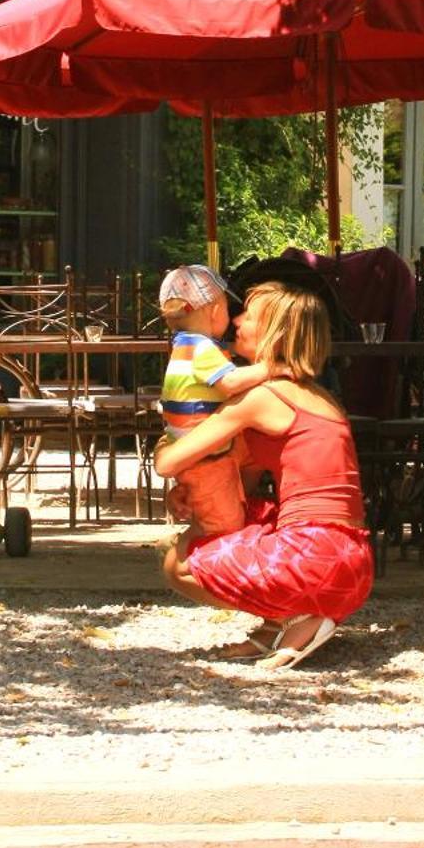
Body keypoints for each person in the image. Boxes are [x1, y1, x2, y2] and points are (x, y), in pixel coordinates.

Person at [156, 282, 373, 670]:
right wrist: (194, 487)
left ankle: (298, 614)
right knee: (239, 515)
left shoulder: (261, 398)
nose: (236, 320)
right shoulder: (320, 397)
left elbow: (168, 463)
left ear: (276, 333)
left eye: (250, 316)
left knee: (180, 561)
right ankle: (286, 622)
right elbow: (242, 481)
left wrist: (170, 457)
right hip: (352, 562)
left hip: (311, 559)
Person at [158, 263, 273, 549]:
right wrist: (270, 368)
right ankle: (192, 565)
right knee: (224, 526)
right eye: (226, 307)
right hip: (206, 457)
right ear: (214, 310)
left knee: (255, 454)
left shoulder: (183, 345)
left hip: (203, 451)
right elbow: (230, 383)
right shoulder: (201, 348)